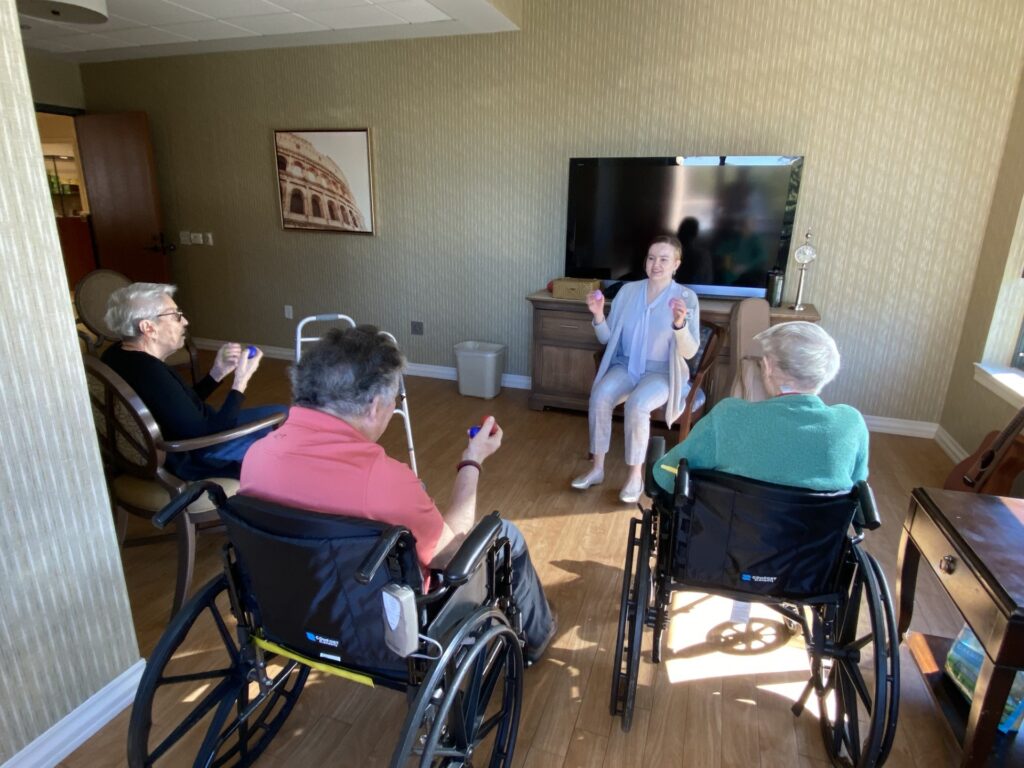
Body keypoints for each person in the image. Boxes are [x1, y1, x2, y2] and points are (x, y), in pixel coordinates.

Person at [239, 326, 556, 664]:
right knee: (508, 533)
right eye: (396, 401)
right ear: (375, 405)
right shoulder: (381, 479)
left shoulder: (256, 456)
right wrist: (472, 461)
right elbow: (448, 556)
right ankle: (538, 635)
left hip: (290, 614)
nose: (393, 408)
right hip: (376, 630)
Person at [653, 321, 868, 495]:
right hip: (818, 548)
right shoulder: (851, 425)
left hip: (732, 544)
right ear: (827, 372)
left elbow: (665, 475)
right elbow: (857, 492)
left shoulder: (729, 416)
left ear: (767, 367)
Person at [101, 282, 285, 480]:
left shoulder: (115, 355)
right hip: (193, 454)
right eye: (175, 316)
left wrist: (216, 373)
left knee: (283, 412)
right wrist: (240, 381)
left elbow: (177, 404)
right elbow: (207, 434)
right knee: (288, 420)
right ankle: (278, 488)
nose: (185, 321)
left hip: (177, 442)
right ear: (148, 328)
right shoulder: (149, 371)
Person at [572, 235, 701, 503]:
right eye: (651, 258)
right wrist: (598, 315)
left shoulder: (686, 298)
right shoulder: (628, 292)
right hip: (626, 365)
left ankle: (634, 476)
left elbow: (688, 352)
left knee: (638, 405)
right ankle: (597, 468)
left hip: (661, 372)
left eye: (664, 259)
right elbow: (607, 340)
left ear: (676, 264)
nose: (656, 264)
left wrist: (680, 324)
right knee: (600, 396)